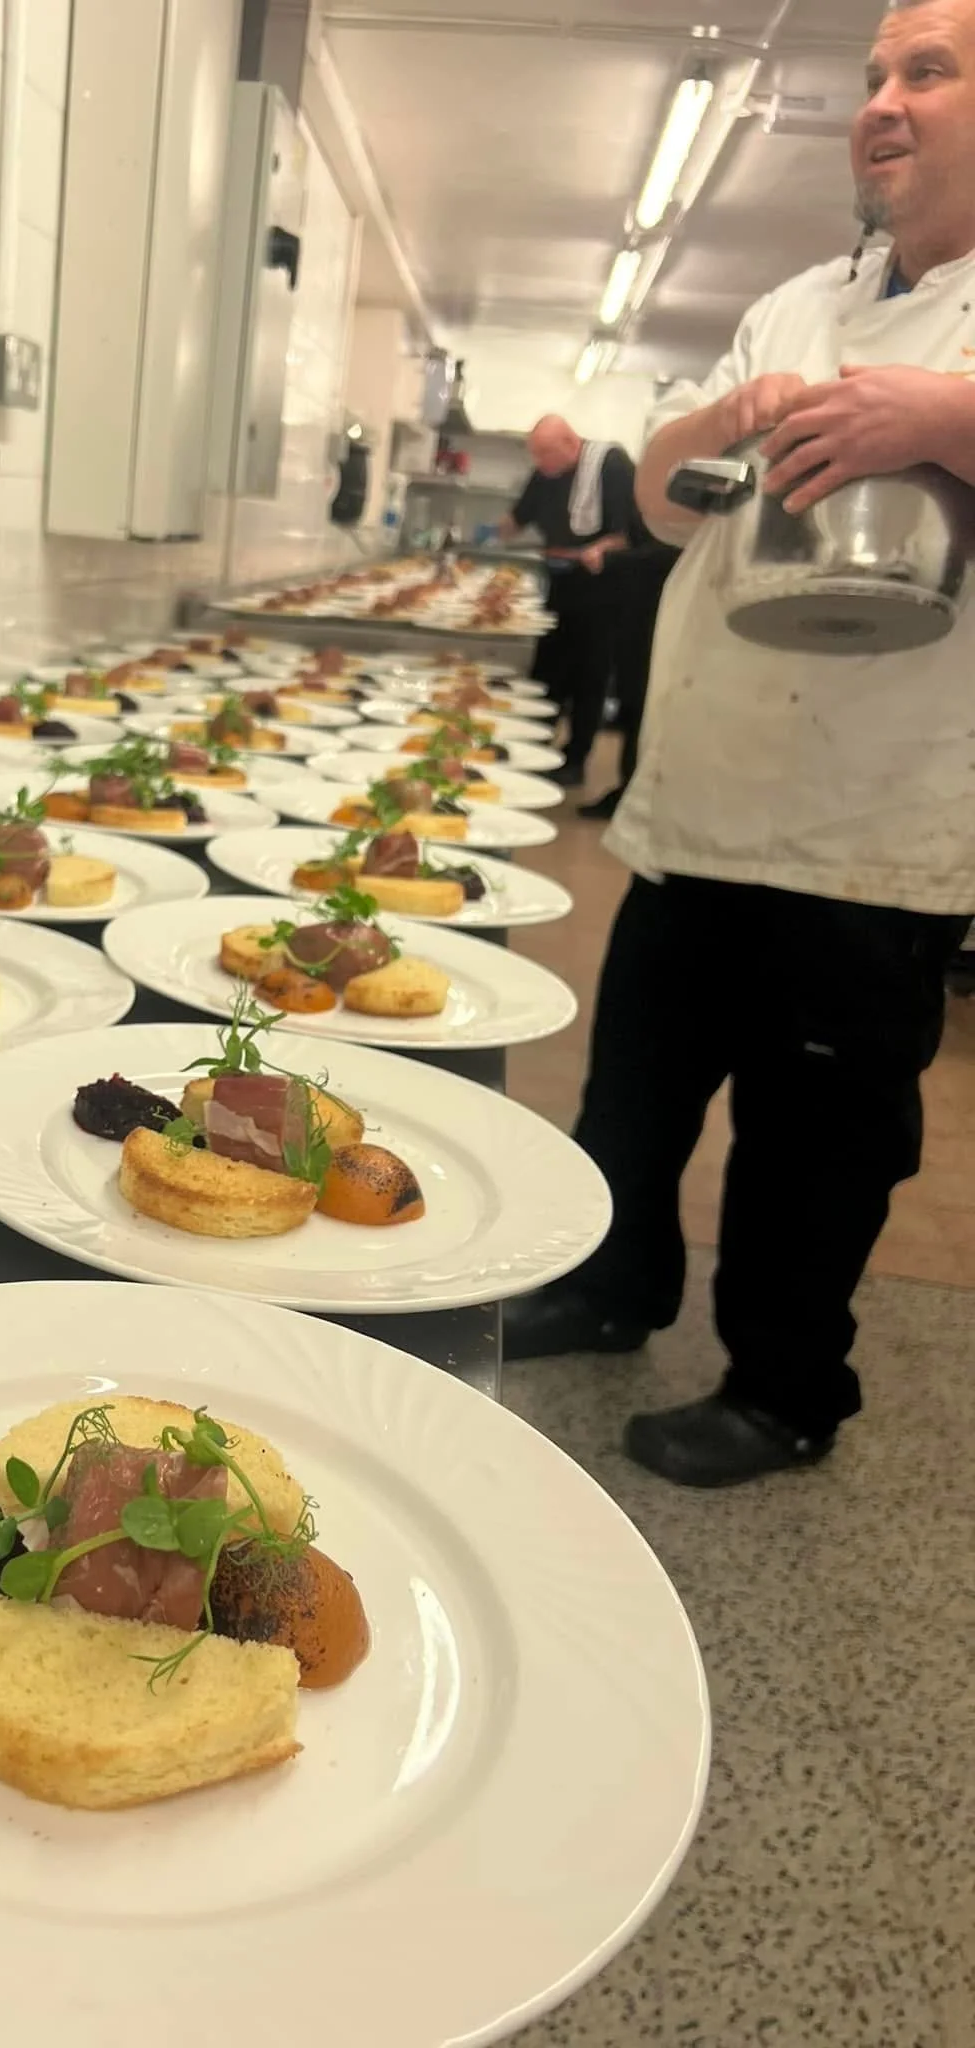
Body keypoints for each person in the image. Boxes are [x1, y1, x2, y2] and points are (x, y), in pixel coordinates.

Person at [504, 0, 975, 1488]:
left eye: (930, 70)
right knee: (631, 1086)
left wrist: (944, 414)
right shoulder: (791, 303)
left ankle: (785, 1389)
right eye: (875, 77)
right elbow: (658, 499)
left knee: (814, 1140)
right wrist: (735, 406)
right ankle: (611, 1283)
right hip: (700, 798)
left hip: (870, 836)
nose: (883, 102)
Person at [501, 417, 637, 788]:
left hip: (603, 589)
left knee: (589, 679)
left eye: (545, 453)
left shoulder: (611, 465)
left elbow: (630, 533)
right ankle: (533, 749)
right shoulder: (545, 472)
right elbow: (517, 518)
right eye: (536, 455)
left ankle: (575, 760)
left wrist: (600, 548)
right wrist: (498, 532)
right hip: (559, 585)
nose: (540, 463)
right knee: (547, 673)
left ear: (570, 442)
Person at [578, 507, 681, 821]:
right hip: (635, 615)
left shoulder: (687, 502)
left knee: (643, 707)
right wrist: (611, 546)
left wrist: (612, 560)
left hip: (659, 615)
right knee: (631, 706)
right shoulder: (656, 498)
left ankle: (633, 796)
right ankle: (627, 789)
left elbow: (672, 554)